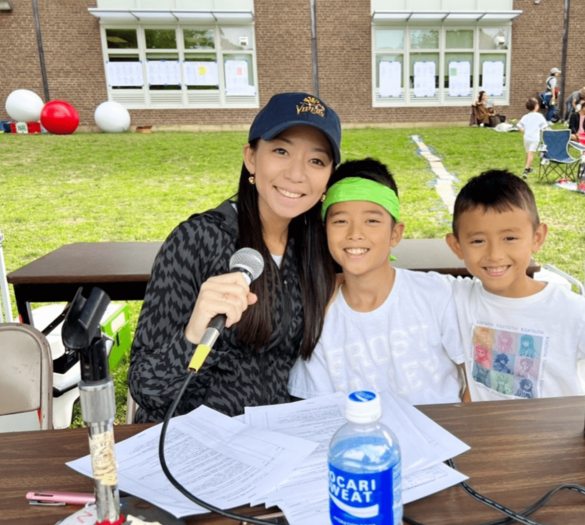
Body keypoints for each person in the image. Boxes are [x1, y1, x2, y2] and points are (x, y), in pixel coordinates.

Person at [128, 92, 340, 422]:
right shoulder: (198, 239)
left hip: (277, 437)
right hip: (192, 436)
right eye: (281, 151)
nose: (297, 174)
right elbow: (146, 388)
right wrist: (194, 333)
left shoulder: (316, 249)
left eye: (316, 161)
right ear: (251, 158)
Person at [287, 159, 467, 405]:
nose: (355, 234)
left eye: (371, 221)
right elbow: (319, 408)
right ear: (324, 231)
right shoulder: (320, 315)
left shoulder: (436, 294)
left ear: (395, 233)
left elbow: (476, 381)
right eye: (340, 221)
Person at [444, 170, 585, 401]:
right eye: (478, 241)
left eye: (510, 238)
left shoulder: (575, 312)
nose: (495, 254)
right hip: (484, 425)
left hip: (556, 426)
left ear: (537, 238)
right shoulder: (456, 297)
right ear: (457, 246)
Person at [517, 98, 548, 178]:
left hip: (526, 138)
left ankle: (528, 167)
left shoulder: (526, 116)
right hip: (534, 138)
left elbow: (519, 126)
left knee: (528, 153)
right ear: (536, 107)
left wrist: (524, 132)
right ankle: (526, 170)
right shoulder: (539, 116)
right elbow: (544, 126)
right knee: (531, 153)